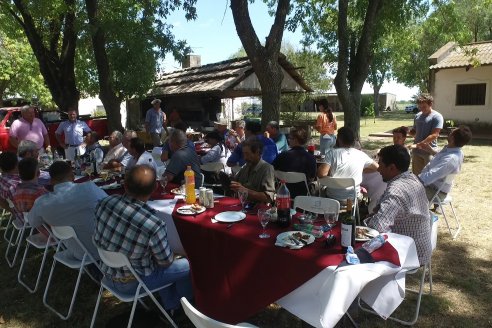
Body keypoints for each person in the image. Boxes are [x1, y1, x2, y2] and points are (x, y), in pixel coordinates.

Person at [94, 164, 193, 316]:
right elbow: (165, 262)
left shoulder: (105, 202)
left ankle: (171, 303)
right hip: (134, 283)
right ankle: (183, 307)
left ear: (125, 185)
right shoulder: (153, 224)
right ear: (154, 188)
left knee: (153, 259)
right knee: (189, 264)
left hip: (106, 272)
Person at [364, 145, 431, 265]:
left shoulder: (396, 190)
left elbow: (377, 227)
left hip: (410, 255)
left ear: (392, 168)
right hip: (421, 249)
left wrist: (366, 222)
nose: (378, 170)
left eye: (381, 165)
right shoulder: (412, 178)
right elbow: (378, 209)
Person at [28, 161, 108, 260]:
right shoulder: (89, 188)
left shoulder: (41, 203)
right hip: (107, 249)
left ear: (51, 181)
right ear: (73, 176)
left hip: (78, 253)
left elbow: (32, 222)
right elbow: (110, 206)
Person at [317, 126, 378, 201]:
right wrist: (361, 169)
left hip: (333, 197)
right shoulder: (361, 154)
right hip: (354, 197)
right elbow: (377, 167)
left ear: (339, 139)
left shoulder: (332, 153)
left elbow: (321, 174)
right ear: (353, 140)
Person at [418, 125, 472, 202]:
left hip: (435, 191)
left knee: (406, 192)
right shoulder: (454, 151)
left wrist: (414, 180)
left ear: (452, 139)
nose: (448, 133)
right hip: (431, 186)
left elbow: (431, 176)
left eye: (451, 133)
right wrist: (430, 150)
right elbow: (441, 157)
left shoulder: (451, 159)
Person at [272, 127, 316, 198]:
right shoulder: (310, 157)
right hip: (303, 193)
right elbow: (311, 178)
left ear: (295, 140)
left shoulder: (283, 155)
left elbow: (272, 170)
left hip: (283, 192)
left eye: (290, 138)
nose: (288, 140)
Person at [230, 137, 275, 204]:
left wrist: (245, 190)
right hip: (242, 205)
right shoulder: (246, 166)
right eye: (244, 154)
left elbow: (268, 197)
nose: (245, 157)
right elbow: (236, 183)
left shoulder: (267, 169)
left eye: (247, 154)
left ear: (257, 152)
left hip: (257, 209)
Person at [409, 93, 444, 175]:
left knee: (428, 176)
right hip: (416, 151)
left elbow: (435, 135)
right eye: (420, 107)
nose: (421, 109)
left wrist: (420, 144)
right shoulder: (417, 116)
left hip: (429, 151)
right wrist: (407, 131)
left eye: (424, 107)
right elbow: (414, 132)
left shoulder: (437, 117)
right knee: (416, 175)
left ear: (430, 104)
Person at [0, 152, 21, 217]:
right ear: (16, 165)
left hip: (16, 214)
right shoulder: (16, 185)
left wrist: (11, 211)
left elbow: (1, 201)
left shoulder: (2, 179)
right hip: (27, 217)